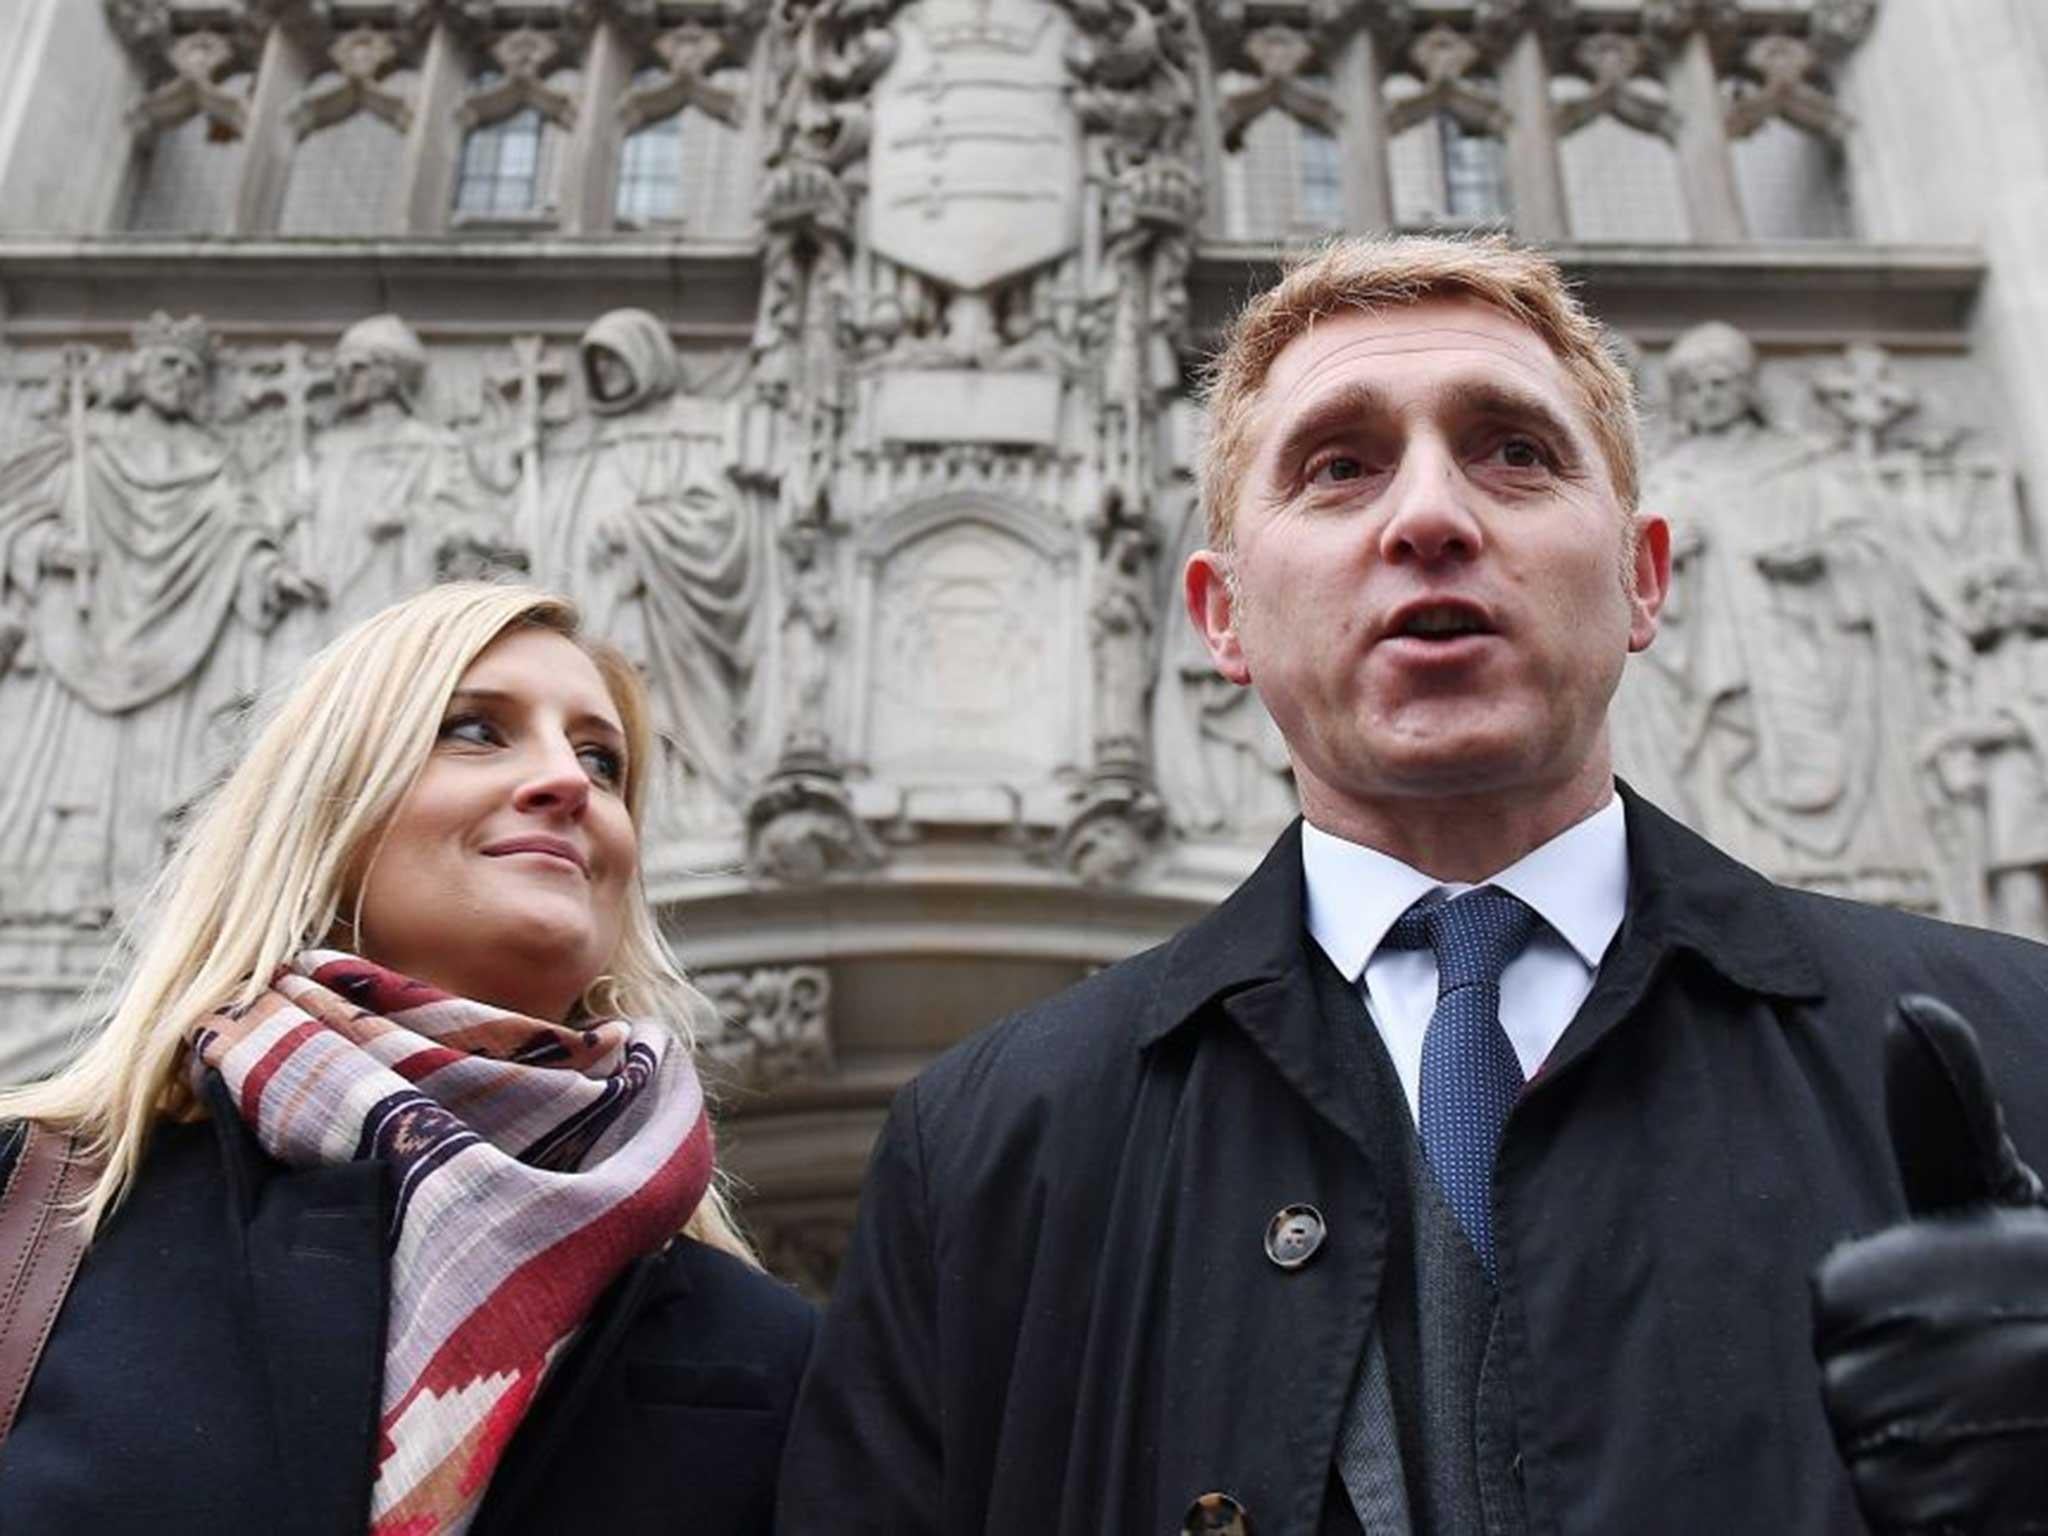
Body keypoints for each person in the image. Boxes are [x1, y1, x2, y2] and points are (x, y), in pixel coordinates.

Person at [777, 236, 2048, 1535]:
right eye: (1340, 467)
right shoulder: (991, 1152)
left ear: (1644, 577)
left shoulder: (2017, 1045)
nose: (1431, 516)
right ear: (1219, 616)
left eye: (1516, 452)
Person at [0, 582, 813, 1535]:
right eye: (475, 731)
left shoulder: (766, 1353)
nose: (568, 783)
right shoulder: (35, 1219)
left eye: (601, 759)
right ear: (325, 809)